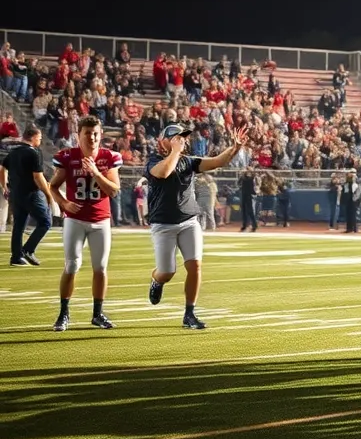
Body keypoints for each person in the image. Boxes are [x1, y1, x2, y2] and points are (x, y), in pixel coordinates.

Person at [146, 122, 247, 329]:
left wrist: (234, 148)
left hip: (188, 221)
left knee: (195, 265)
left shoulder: (189, 162)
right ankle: (156, 280)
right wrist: (174, 151)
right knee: (167, 272)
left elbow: (217, 161)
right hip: (163, 223)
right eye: (176, 137)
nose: (181, 140)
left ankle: (189, 313)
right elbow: (164, 172)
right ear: (162, 141)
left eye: (183, 137)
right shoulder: (154, 161)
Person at [46, 116, 122, 330]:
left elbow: (114, 190)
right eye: (88, 133)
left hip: (101, 220)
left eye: (96, 133)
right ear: (78, 135)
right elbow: (53, 186)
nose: (93, 137)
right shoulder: (67, 156)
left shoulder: (109, 157)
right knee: (72, 265)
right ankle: (63, 314)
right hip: (75, 219)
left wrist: (96, 172)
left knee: (100, 267)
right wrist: (63, 204)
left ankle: (98, 314)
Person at [1, 124, 54, 266]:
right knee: (45, 222)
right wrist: (48, 194)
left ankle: (16, 257)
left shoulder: (14, 152)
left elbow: (2, 169)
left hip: (16, 194)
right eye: (40, 138)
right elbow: (38, 177)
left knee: (19, 226)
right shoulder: (34, 153)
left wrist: (4, 186)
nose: (40, 141)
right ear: (34, 137)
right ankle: (28, 250)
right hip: (31, 193)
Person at [239, 168, 257, 232]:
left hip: (249, 196)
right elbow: (239, 182)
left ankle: (254, 225)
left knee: (250, 211)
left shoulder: (251, 178)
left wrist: (249, 171)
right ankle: (244, 225)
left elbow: (250, 178)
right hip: (244, 195)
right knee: (243, 211)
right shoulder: (243, 178)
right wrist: (242, 174)